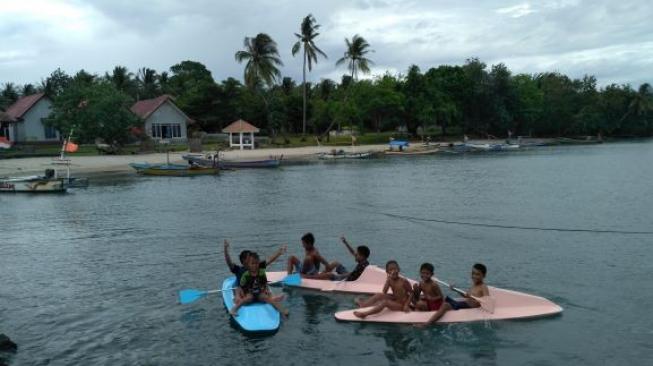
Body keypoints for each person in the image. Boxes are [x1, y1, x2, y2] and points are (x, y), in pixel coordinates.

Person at [416, 263, 490, 327]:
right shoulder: (474, 285)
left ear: (483, 276)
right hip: (464, 304)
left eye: (477, 274)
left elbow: (487, 301)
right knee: (445, 299)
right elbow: (466, 296)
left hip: (468, 306)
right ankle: (432, 311)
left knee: (445, 305)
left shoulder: (483, 287)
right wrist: (455, 290)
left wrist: (478, 301)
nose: (474, 276)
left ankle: (428, 323)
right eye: (473, 273)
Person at [230, 253, 289, 317]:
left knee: (267, 298)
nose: (255, 265)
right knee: (247, 298)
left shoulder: (261, 272)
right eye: (252, 263)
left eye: (256, 263)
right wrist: (243, 294)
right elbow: (242, 286)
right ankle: (234, 309)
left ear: (259, 263)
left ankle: (282, 310)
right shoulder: (246, 275)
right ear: (248, 265)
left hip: (259, 293)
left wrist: (265, 290)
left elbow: (264, 283)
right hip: (250, 293)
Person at [302, 236, 370, 281]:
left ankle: (308, 277)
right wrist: (345, 243)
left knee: (330, 275)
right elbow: (352, 252)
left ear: (362, 256)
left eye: (357, 254)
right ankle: (320, 275)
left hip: (346, 279)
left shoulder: (362, 266)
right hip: (348, 274)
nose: (355, 255)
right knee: (335, 263)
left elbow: (351, 275)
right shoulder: (363, 261)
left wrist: (339, 275)